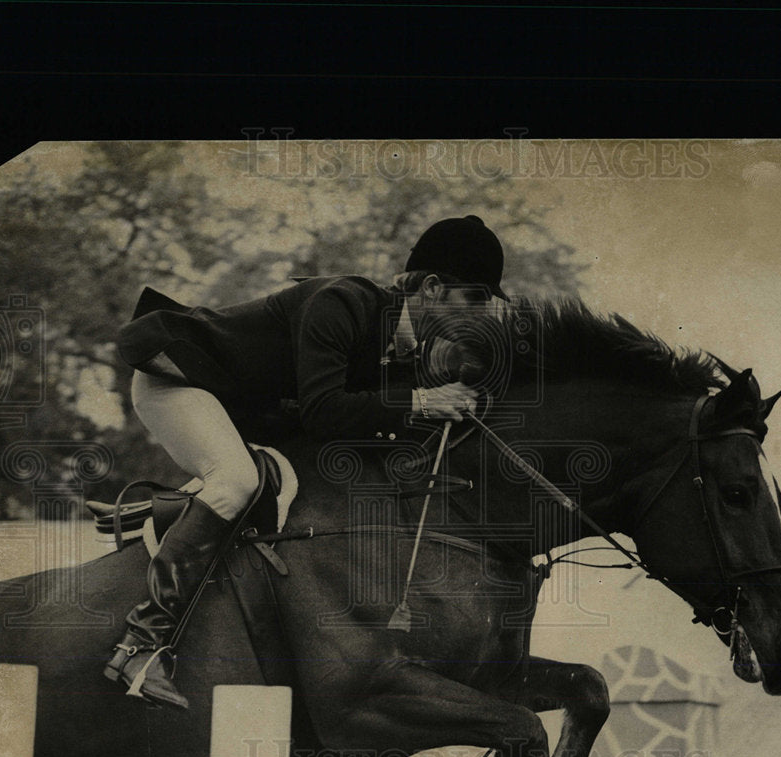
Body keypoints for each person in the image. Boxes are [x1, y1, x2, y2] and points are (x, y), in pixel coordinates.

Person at [104, 215, 509, 710]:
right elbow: (324, 413)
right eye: (477, 299)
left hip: (243, 407)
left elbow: (366, 423)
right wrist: (423, 402)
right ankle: (140, 644)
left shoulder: (404, 349)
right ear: (431, 287)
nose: (485, 315)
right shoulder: (342, 303)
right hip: (180, 379)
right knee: (236, 480)